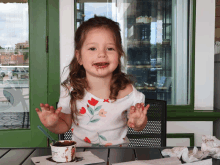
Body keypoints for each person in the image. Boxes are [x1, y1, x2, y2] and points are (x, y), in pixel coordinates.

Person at [35, 15, 150, 147]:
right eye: (92, 48)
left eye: (110, 48)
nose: (102, 54)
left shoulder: (128, 92)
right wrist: (53, 124)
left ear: (119, 55)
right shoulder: (71, 89)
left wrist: (139, 123)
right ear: (79, 57)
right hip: (80, 156)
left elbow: (137, 126)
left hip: (118, 157)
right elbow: (64, 126)